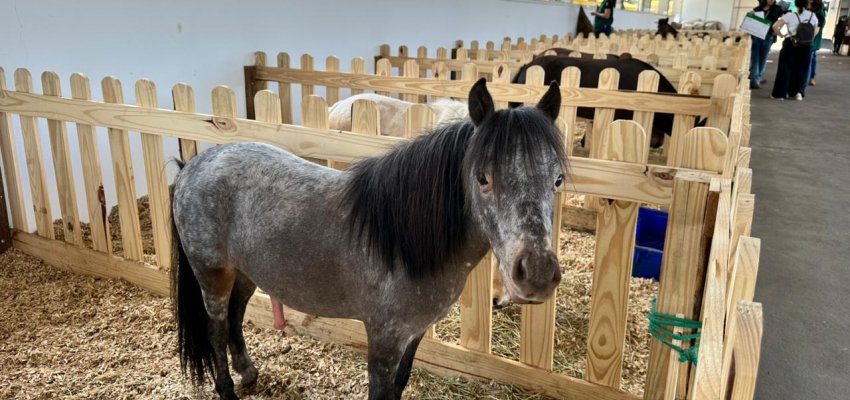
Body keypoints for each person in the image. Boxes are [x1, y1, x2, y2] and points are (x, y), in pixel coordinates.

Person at [770, 0, 820, 100]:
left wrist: (781, 35)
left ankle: (780, 94)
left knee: (785, 68)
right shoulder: (813, 16)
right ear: (808, 4)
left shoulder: (790, 15)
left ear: (796, 4)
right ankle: (798, 93)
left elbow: (775, 26)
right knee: (802, 69)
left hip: (791, 43)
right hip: (806, 46)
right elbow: (816, 30)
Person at [749, 0, 785, 89]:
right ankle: (754, 79)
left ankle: (758, 78)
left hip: (768, 35)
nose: (771, 0)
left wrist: (777, 30)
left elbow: (784, 20)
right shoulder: (757, 9)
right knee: (755, 57)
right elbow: (751, 19)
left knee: (763, 58)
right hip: (756, 35)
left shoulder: (777, 9)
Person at [803, 0, 826, 90]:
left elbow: (820, 25)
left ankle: (810, 78)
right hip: (804, 36)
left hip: (813, 37)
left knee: (811, 57)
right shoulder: (804, 6)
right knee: (810, 57)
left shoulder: (819, 10)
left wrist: (812, 35)